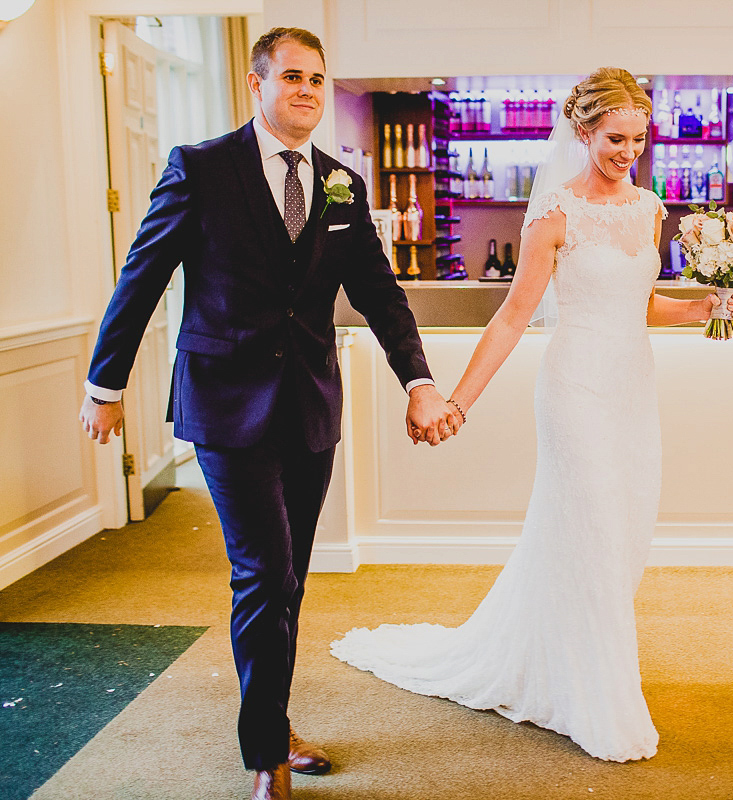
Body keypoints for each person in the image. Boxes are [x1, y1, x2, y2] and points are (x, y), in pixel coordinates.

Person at [79, 27, 460, 800]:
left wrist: (417, 379)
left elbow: (380, 294)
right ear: (257, 86)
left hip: (310, 406)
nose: (308, 91)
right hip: (224, 404)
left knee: (288, 581)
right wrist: (104, 384)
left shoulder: (340, 182)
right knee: (262, 573)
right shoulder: (200, 169)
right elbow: (142, 276)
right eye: (292, 77)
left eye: (318, 79)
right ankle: (266, 758)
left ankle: (274, 717)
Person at [331, 67, 733, 762]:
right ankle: (600, 701)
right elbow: (514, 316)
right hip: (576, 392)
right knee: (593, 531)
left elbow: (640, 304)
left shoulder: (649, 208)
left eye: (639, 140)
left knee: (621, 537)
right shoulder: (553, 215)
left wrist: (703, 308)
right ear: (582, 132)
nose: (628, 152)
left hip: (632, 392)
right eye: (615, 138)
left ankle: (563, 662)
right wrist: (458, 399)